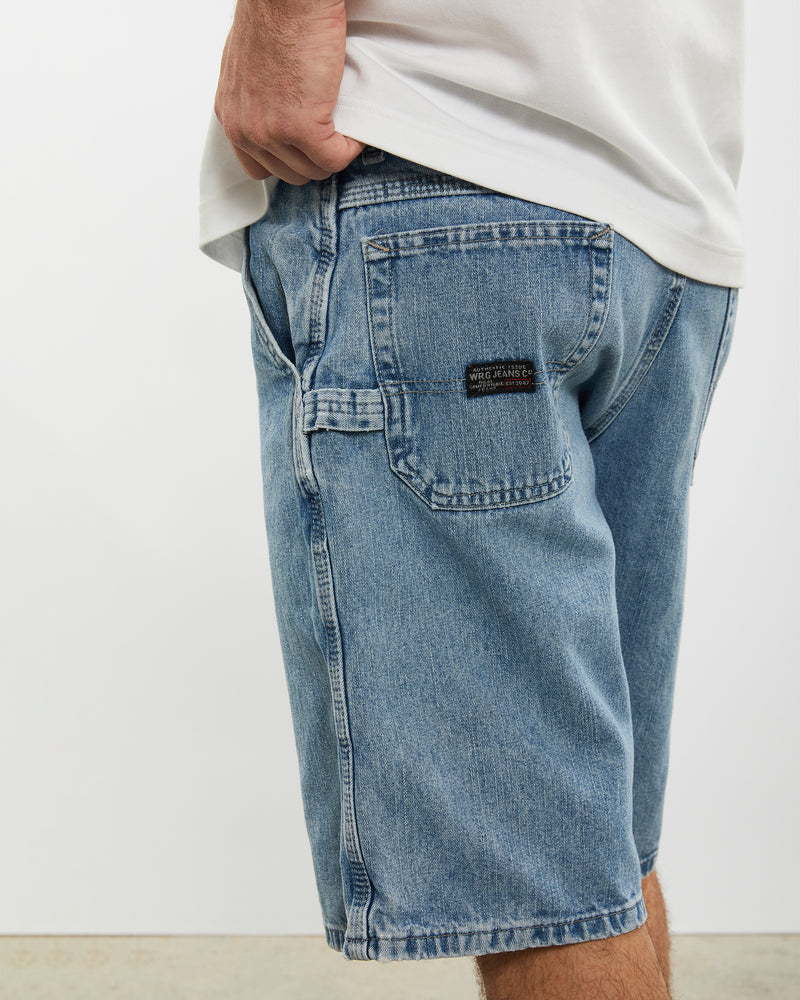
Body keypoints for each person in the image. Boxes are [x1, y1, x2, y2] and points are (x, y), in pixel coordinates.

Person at [200, 2, 745, 997]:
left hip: (437, 163)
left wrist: (283, 19)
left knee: (542, 880)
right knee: (592, 846)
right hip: (666, 214)